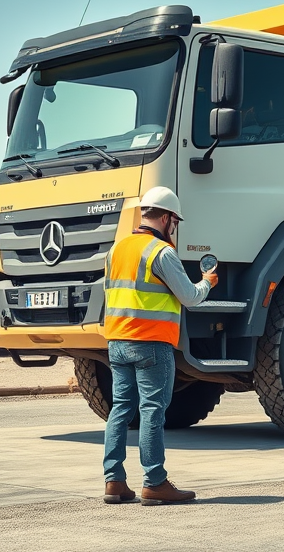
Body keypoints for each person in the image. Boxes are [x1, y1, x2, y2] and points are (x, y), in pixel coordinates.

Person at [101, 186, 218, 505]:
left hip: (117, 341)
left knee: (121, 409)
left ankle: (114, 482)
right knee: (152, 410)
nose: (175, 228)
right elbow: (190, 298)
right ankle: (154, 482)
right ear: (166, 218)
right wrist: (207, 281)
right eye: (175, 222)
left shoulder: (117, 249)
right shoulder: (160, 252)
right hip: (151, 343)